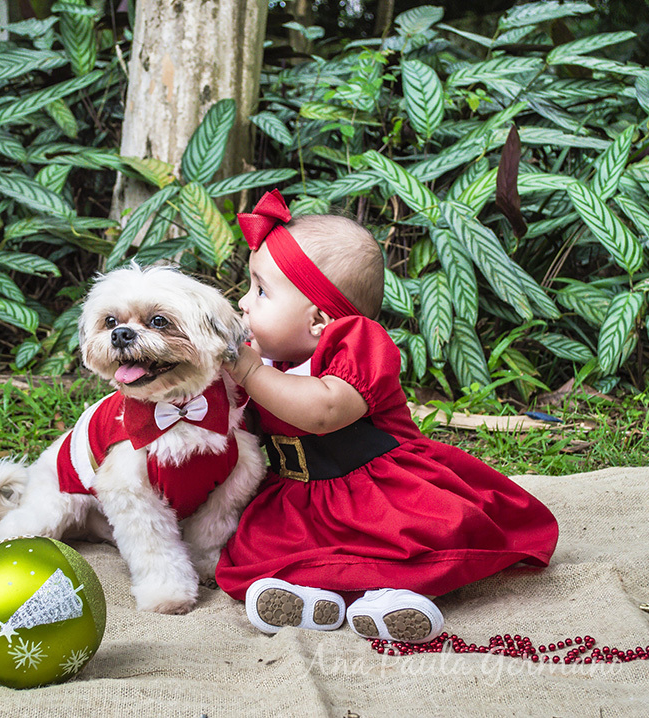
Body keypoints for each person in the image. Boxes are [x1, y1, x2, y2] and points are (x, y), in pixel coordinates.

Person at [216, 189, 559, 643]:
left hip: (376, 488)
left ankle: (392, 597)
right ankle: (311, 598)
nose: (243, 302)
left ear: (318, 319)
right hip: (300, 496)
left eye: (261, 291)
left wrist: (251, 372)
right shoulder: (272, 362)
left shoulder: (357, 341)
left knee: (405, 539)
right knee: (262, 547)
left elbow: (324, 411)